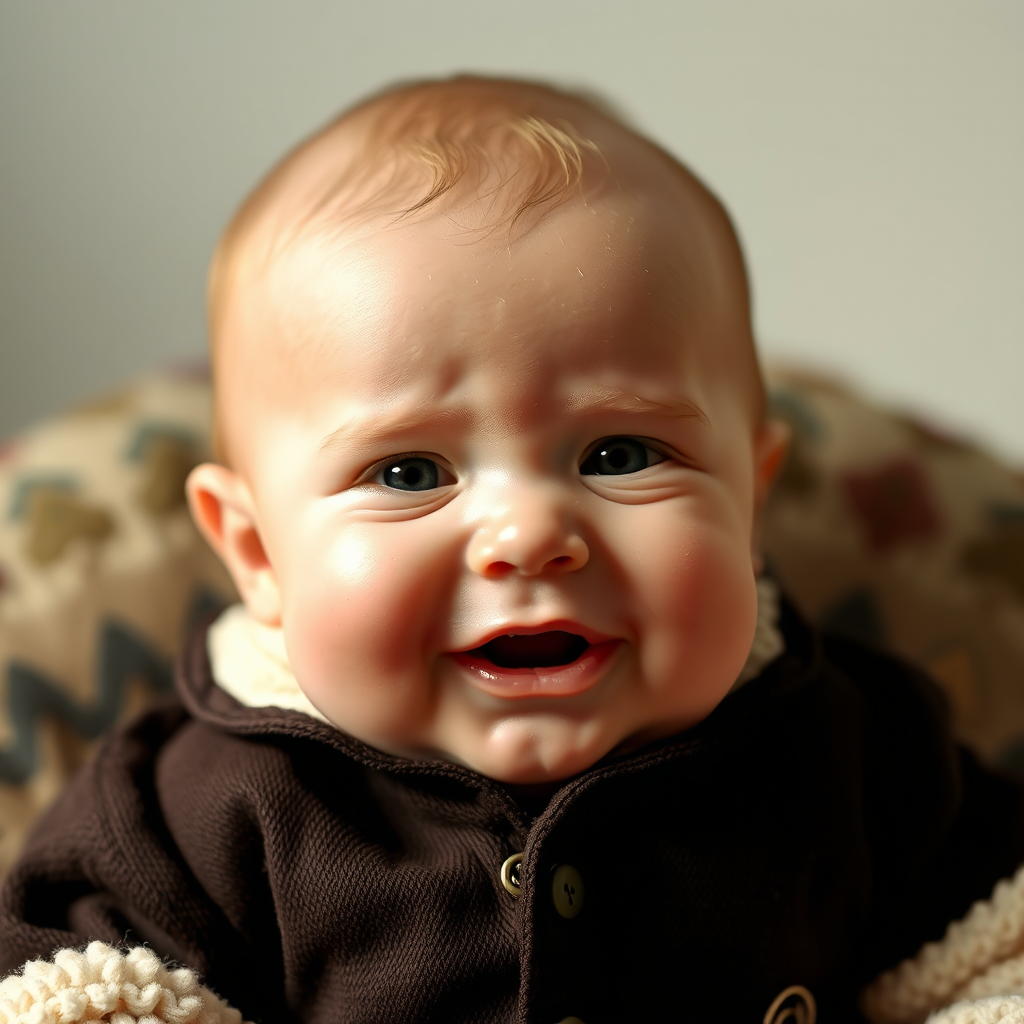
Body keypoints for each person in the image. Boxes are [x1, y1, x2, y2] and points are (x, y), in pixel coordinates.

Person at [2, 76, 1023, 1024]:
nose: (531, 533)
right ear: (259, 555)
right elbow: (71, 995)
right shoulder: (188, 812)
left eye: (621, 453)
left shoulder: (853, 749)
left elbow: (1000, 958)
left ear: (749, 506)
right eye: (408, 473)